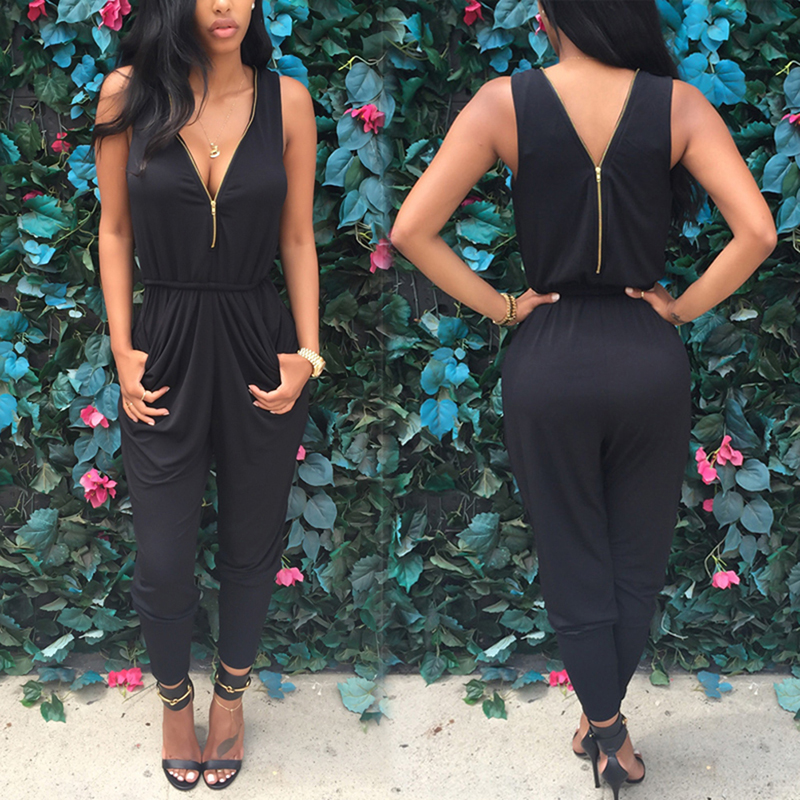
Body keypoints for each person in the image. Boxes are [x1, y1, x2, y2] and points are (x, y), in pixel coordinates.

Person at [390, 1, 776, 797]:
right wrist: (682, 307)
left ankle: (605, 728)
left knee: (572, 551)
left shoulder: (503, 104)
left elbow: (411, 230)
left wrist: (504, 307)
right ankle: (605, 721)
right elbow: (759, 233)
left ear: (545, 14)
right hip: (646, 358)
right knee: (636, 558)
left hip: (550, 361)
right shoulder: (679, 106)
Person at [93, 0, 323, 790]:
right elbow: (114, 229)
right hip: (165, 345)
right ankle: (173, 702)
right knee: (163, 558)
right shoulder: (129, 93)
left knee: (251, 545)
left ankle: (229, 701)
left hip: (259, 343)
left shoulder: (288, 102)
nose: (224, 4)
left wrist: (307, 353)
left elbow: (298, 235)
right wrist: (123, 349)